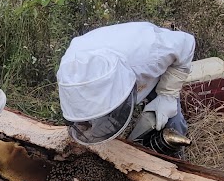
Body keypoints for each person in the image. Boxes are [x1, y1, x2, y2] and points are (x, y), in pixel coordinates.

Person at [56, 22, 196, 149]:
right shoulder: (71, 70)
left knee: (173, 122)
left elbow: (187, 44)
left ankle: (176, 160)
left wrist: (167, 95)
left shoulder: (151, 51)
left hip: (152, 71)